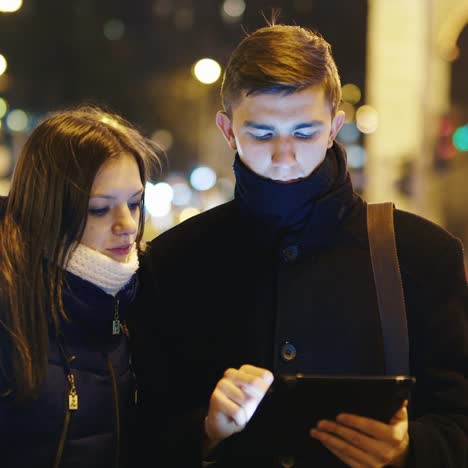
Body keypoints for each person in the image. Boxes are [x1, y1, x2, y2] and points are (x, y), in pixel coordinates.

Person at [128, 20, 468, 468]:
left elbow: (459, 416)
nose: (284, 155)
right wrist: (204, 431)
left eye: (305, 132)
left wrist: (412, 450)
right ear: (228, 131)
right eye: (263, 133)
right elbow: (139, 431)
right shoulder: (172, 261)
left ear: (334, 127)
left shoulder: (423, 254)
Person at [0, 105, 161, 468]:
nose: (127, 225)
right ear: (50, 210)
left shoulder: (136, 295)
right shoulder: (9, 305)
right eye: (99, 209)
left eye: (134, 204)